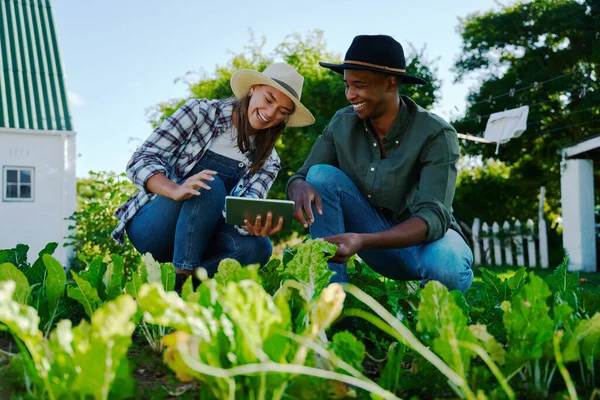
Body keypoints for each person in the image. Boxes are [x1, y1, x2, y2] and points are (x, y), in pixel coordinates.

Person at [286, 35, 474, 292]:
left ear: (391, 83)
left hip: (424, 246)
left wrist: (362, 241)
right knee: (319, 176)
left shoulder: (435, 134)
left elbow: (433, 215)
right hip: (374, 247)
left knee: (448, 263)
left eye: (359, 85)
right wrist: (297, 185)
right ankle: (329, 299)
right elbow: (305, 174)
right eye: (347, 85)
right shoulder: (342, 123)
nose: (350, 95)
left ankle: (435, 318)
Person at [112, 62, 315, 288]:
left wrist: (255, 224)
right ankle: (183, 276)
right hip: (155, 226)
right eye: (269, 100)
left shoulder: (269, 160)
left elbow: (241, 211)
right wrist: (175, 189)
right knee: (210, 184)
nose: (270, 113)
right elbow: (140, 160)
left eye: (282, 112)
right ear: (253, 89)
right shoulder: (200, 113)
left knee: (259, 247)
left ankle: (179, 290)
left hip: (205, 237)